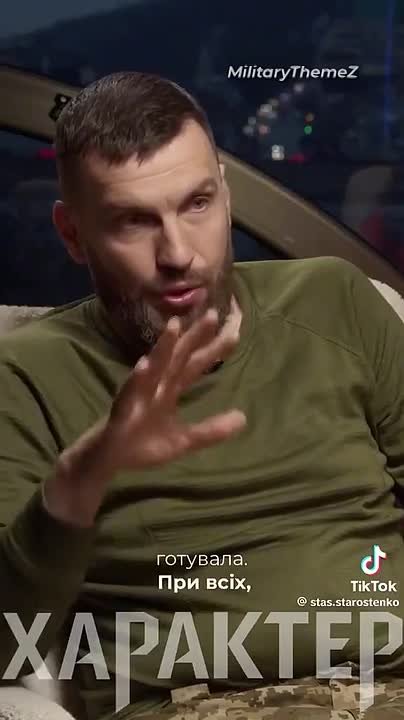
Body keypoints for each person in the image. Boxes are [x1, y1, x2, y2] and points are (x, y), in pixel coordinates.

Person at [1, 72, 404, 720]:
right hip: (198, 705)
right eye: (134, 221)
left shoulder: (337, 302)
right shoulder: (25, 374)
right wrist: (81, 479)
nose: (179, 254)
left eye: (197, 204)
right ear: (73, 235)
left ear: (225, 194)